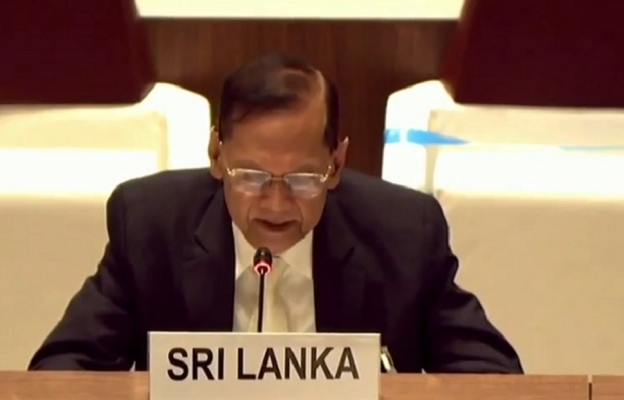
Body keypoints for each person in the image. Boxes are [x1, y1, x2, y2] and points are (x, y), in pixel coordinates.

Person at [29, 52, 523, 373]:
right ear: (217, 155)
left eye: (304, 179)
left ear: (337, 163)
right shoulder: (150, 225)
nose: (277, 204)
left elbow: (492, 376)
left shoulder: (404, 232)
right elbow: (61, 370)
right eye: (251, 176)